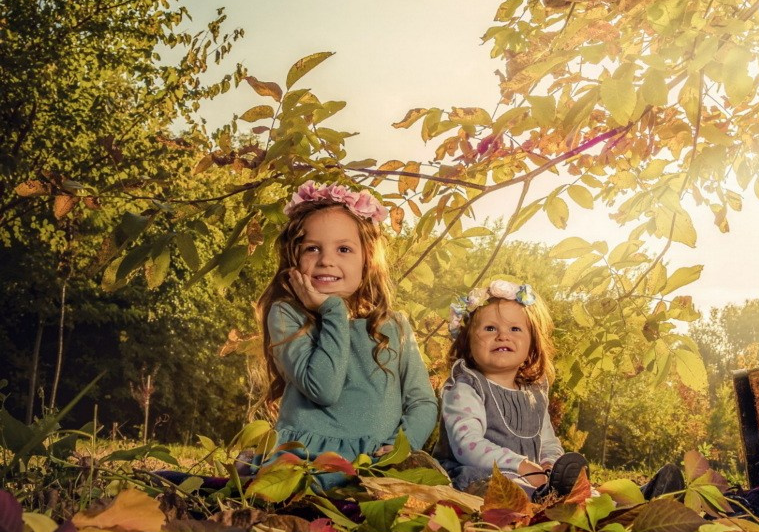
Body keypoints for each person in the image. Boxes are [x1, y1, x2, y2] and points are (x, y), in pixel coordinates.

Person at [438, 278, 684, 501]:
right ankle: (551, 497)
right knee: (507, 489)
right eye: (490, 328)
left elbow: (548, 441)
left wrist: (550, 466)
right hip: (486, 475)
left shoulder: (532, 394)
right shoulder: (465, 387)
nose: (503, 335)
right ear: (467, 343)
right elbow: (467, 444)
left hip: (535, 476)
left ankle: (637, 499)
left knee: (575, 489)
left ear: (532, 346)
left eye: (515, 329)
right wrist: (524, 467)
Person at [257, 181, 437, 476]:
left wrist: (403, 446)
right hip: (308, 461)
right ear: (293, 258)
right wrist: (332, 310)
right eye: (312, 248)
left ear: (367, 260)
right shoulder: (286, 315)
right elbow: (323, 388)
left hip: (377, 461)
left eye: (344, 249)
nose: (327, 260)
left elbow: (422, 401)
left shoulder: (394, 325)